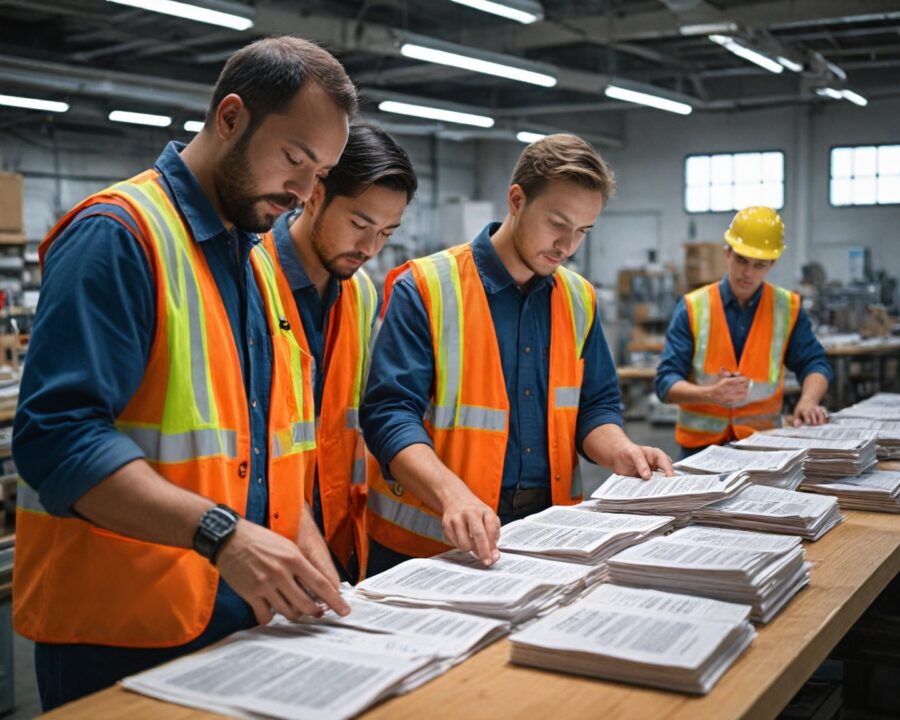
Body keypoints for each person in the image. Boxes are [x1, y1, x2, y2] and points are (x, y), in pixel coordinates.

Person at [12, 36, 357, 710]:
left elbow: (261, 442)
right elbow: (58, 439)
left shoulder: (253, 257)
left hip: (239, 620)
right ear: (230, 117)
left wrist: (305, 545)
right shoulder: (118, 236)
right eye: (295, 159)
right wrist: (223, 535)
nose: (303, 193)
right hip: (123, 631)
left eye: (320, 173)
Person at [360, 134, 674, 576]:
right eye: (557, 223)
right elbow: (390, 415)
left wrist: (622, 450)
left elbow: (595, 407)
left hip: (547, 531)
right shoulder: (427, 288)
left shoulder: (578, 298)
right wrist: (451, 493)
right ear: (516, 200)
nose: (567, 246)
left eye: (583, 231)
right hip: (431, 542)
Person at [260, 122, 417, 582]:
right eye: (359, 225)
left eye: (386, 233)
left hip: (338, 542)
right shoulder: (250, 276)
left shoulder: (360, 292)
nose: (370, 248)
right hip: (265, 546)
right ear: (315, 192)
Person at [655, 206, 833, 457]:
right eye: (741, 260)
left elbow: (815, 363)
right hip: (700, 450)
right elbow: (665, 382)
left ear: (772, 264)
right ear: (727, 252)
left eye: (759, 265)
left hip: (763, 447)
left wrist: (808, 401)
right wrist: (709, 394)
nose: (748, 273)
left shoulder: (787, 308)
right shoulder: (693, 307)